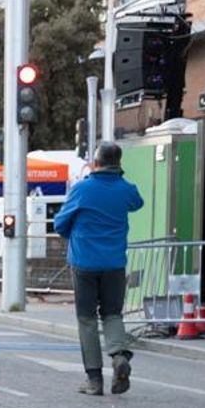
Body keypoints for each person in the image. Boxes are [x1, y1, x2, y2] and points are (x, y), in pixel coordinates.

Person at [54, 141, 144, 395]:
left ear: (96, 162)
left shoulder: (82, 189)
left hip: (84, 262)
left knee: (87, 319)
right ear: (118, 163)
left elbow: (60, 224)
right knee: (113, 314)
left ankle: (94, 379)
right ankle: (118, 356)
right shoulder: (126, 189)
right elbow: (137, 203)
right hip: (115, 263)